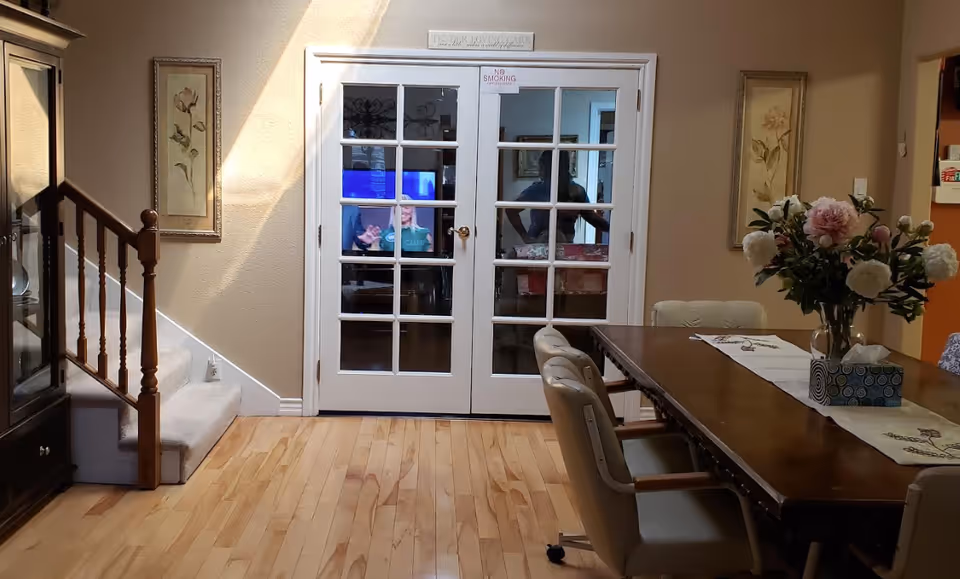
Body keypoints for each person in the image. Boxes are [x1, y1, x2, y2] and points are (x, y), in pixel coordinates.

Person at [506, 150, 609, 243]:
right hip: (543, 243)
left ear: (546, 167)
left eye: (541, 166)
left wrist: (526, 237)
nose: (539, 170)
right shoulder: (576, 190)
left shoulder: (574, 191)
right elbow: (510, 210)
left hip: (559, 244)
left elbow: (591, 217)